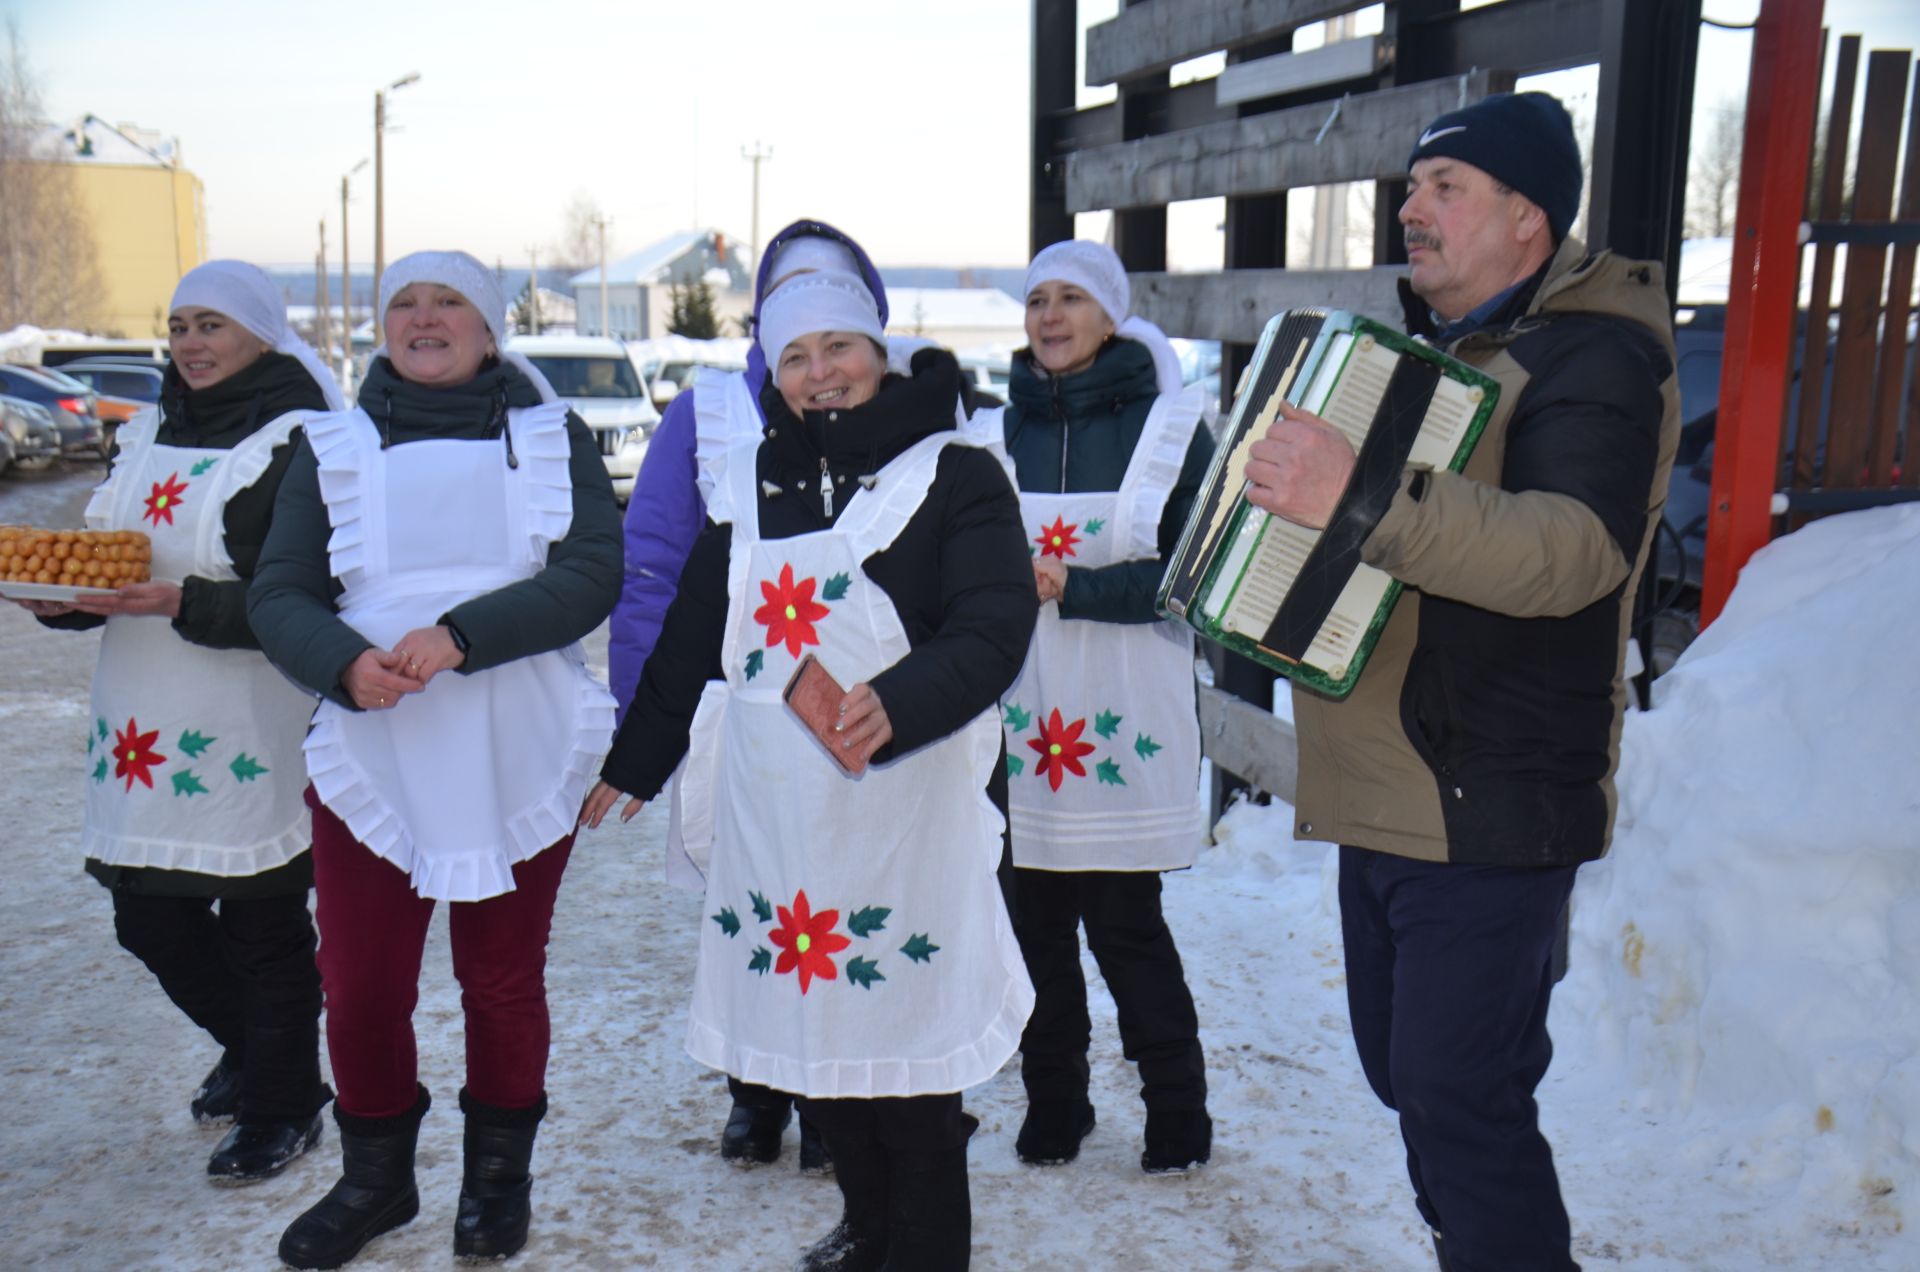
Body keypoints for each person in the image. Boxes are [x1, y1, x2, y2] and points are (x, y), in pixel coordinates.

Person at [1241, 92, 1679, 1272]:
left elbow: (1572, 552)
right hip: (1393, 781)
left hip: (1491, 787)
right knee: (1415, 1079)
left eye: (1447, 189)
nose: (1410, 208)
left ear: (1528, 218)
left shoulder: (1596, 355)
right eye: (1411, 188)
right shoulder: (1431, 357)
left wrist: (1365, 494)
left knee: (1459, 1094)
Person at [583, 268, 1038, 1270]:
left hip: (904, 821)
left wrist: (901, 703)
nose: (820, 371)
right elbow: (695, 635)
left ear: (879, 352)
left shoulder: (956, 473)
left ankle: (921, 1252)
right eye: (795, 355)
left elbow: (995, 622)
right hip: (785, 831)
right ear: (775, 376)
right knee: (822, 1062)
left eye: (838, 347)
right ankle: (868, 1229)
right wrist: (639, 759)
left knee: (910, 1076)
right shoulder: (747, 487)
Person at [247, 251, 622, 1268]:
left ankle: (498, 1179)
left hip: (519, 735)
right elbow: (277, 590)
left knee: (501, 979)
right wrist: (341, 662)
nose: (424, 318)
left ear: (490, 327)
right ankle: (377, 1179)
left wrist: (461, 635)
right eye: (403, 303)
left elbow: (593, 573)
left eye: (448, 301)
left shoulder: (554, 438)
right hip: (376, 743)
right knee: (361, 983)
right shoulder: (325, 448)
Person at [12, 261, 342, 1189]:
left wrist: (183, 601)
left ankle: (283, 1103)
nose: (192, 344)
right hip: (142, 718)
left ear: (261, 336)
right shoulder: (149, 426)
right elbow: (111, 552)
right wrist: (66, 603)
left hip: (246, 713)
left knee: (260, 923)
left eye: (213, 326)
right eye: (181, 325)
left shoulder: (301, 442)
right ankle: (253, 1044)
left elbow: (313, 600)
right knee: (146, 915)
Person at [608, 218, 903, 1174]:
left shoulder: (913, 427)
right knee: (752, 903)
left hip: (868, 719)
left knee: (850, 896)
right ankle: (758, 1089)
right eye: (790, 293)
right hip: (735, 719)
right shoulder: (709, 414)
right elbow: (656, 563)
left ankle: (837, 1097)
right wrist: (646, 714)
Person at [989, 240, 1217, 1175]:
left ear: (1111, 315)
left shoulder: (1171, 430)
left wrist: (1076, 588)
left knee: (1127, 928)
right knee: (1033, 924)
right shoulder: (990, 434)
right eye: (1037, 299)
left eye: (1071, 298)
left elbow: (1202, 573)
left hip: (1124, 713)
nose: (1049, 316)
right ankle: (1058, 1100)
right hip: (1021, 715)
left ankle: (1178, 1110)